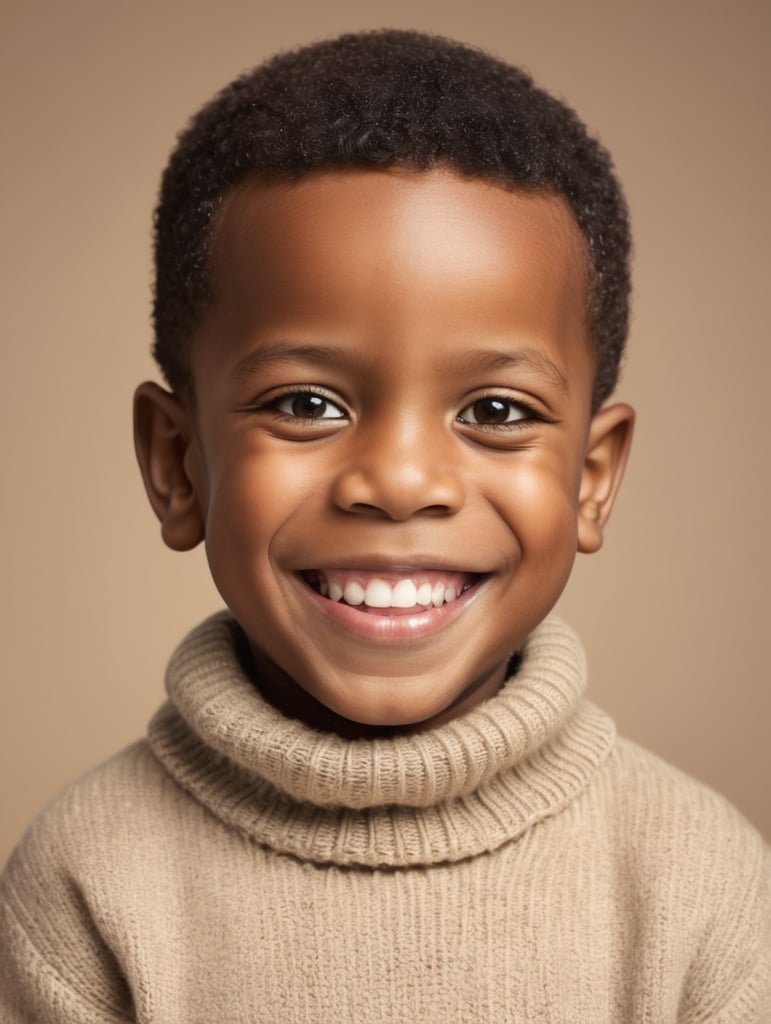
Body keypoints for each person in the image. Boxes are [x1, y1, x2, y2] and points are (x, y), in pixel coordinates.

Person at [0, 29, 768, 1023]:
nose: (401, 483)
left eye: (495, 411)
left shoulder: (701, 888)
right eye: (307, 403)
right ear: (177, 463)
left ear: (591, 477)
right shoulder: (85, 881)